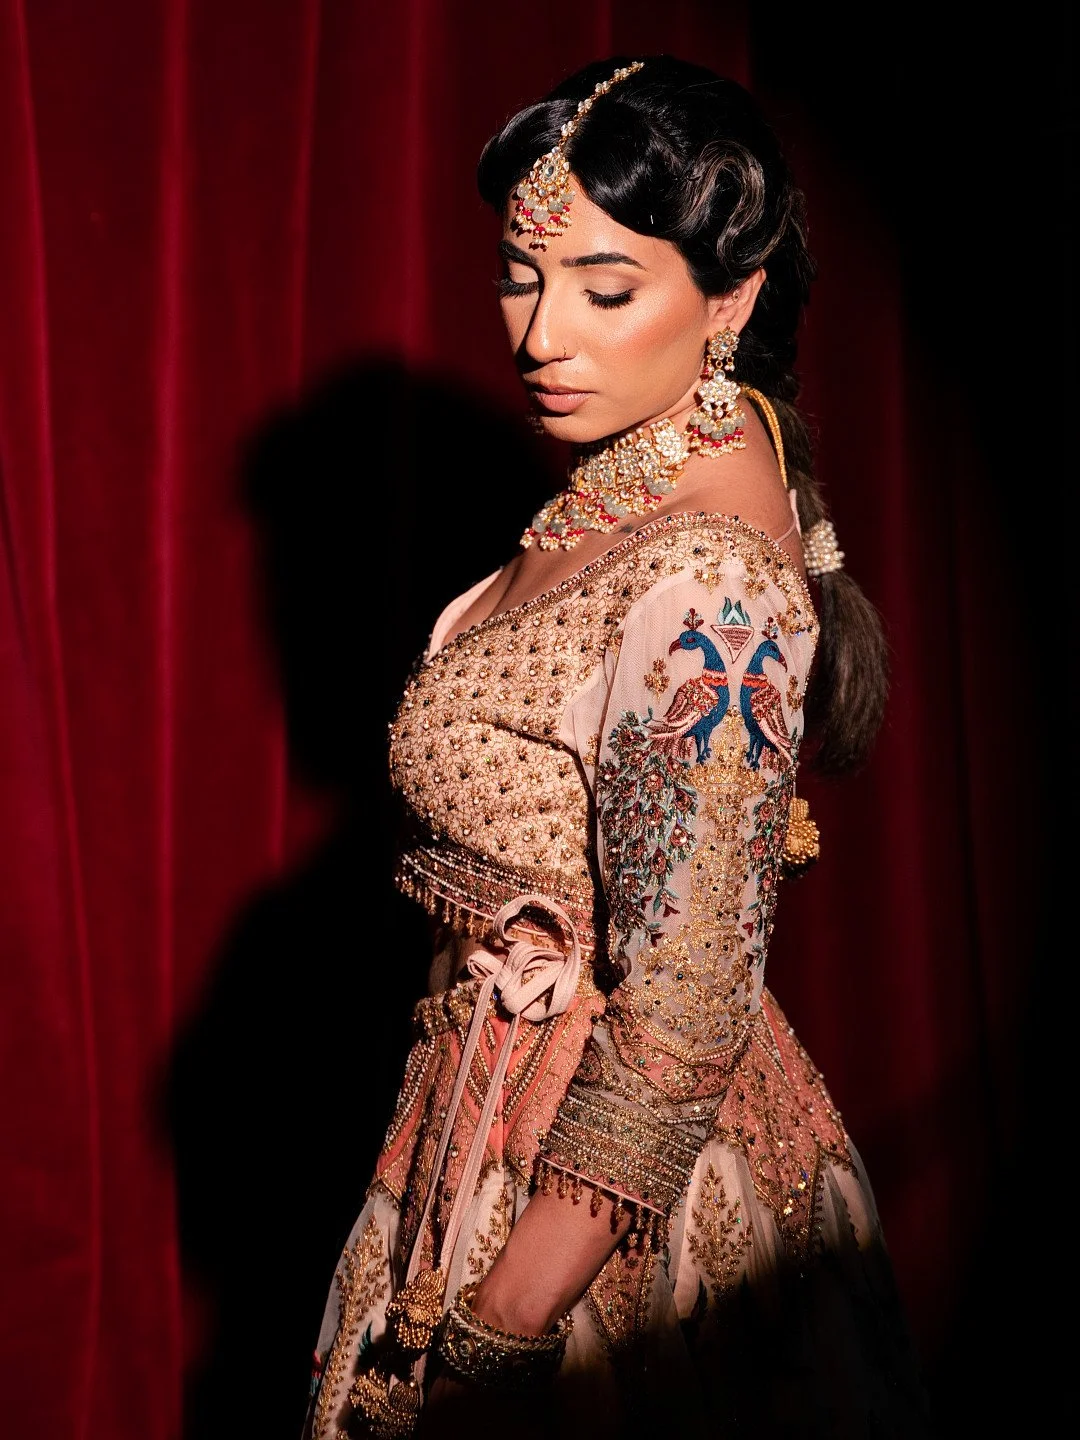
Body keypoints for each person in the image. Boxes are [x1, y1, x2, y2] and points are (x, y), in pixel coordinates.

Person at [302, 54, 932, 1440]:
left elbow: (689, 1005)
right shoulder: (626, 492)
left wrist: (503, 1331)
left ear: (733, 300)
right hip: (483, 1116)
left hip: (596, 1220)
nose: (540, 336)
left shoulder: (707, 570)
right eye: (520, 280)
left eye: (602, 291)